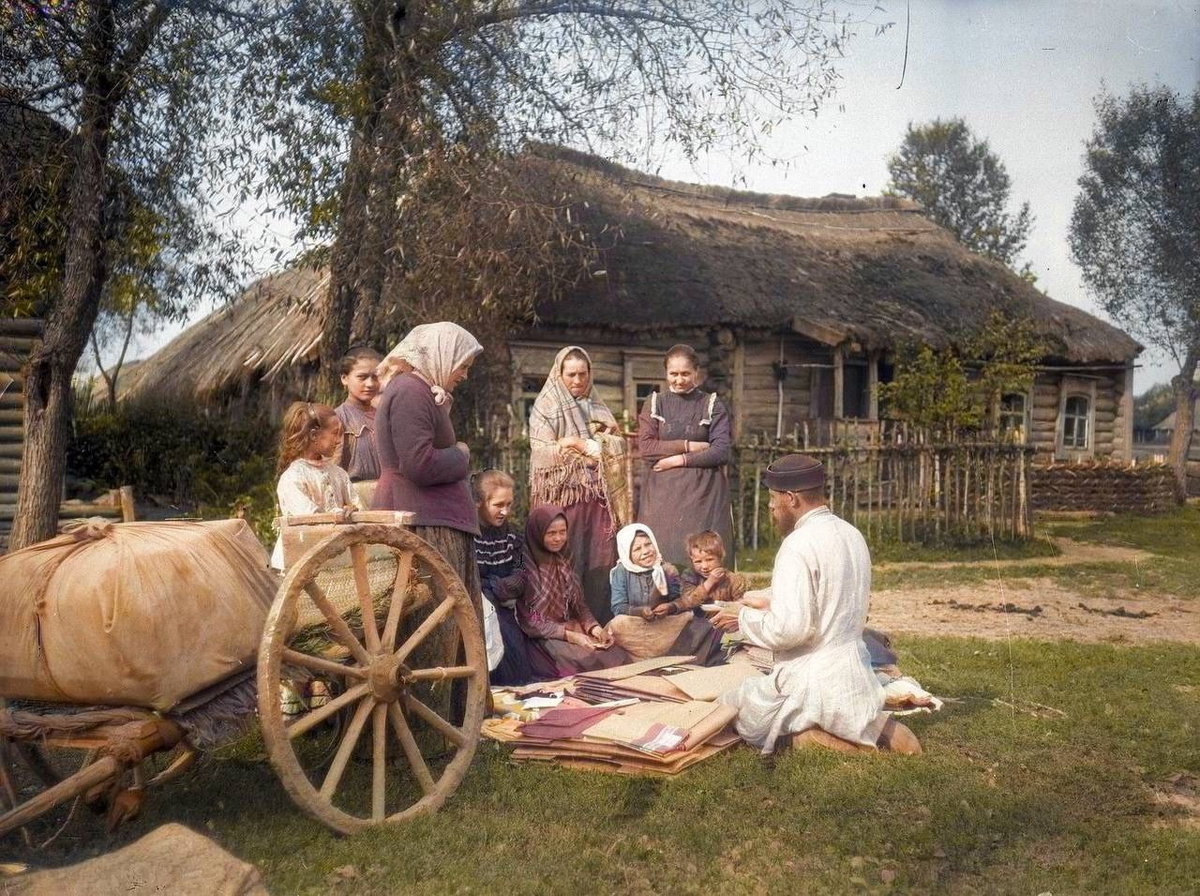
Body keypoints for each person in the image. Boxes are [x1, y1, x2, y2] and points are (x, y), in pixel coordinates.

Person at [712, 454, 921, 756]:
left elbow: (790, 631)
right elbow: (829, 589)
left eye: (772, 500)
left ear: (791, 498)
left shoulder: (797, 544)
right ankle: (881, 729)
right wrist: (764, 598)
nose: (770, 508)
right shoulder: (851, 534)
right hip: (854, 673)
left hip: (812, 677)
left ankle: (819, 738)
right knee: (859, 717)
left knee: (734, 708)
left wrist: (742, 618)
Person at [528, 345, 629, 624]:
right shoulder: (545, 407)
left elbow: (617, 443)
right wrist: (578, 444)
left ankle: (599, 621)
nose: (577, 381)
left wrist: (591, 446)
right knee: (567, 558)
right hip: (564, 501)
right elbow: (542, 452)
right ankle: (564, 625)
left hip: (597, 502)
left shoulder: (597, 404)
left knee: (599, 559)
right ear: (559, 374)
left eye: (582, 374)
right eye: (571, 374)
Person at [492, 505, 632, 678]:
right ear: (537, 532)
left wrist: (595, 629)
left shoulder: (564, 559)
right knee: (586, 664)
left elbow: (579, 606)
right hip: (541, 637)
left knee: (614, 654)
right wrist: (571, 637)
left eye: (562, 532)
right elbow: (530, 619)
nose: (558, 538)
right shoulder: (523, 563)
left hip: (570, 628)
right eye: (551, 533)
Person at [636, 344, 734, 568]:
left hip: (704, 495)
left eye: (685, 374)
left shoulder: (711, 404)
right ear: (666, 373)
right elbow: (646, 448)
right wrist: (688, 445)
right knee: (665, 558)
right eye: (673, 374)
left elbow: (720, 452)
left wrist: (678, 459)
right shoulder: (655, 403)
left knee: (702, 560)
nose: (679, 380)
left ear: (696, 373)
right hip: (663, 496)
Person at [607, 523, 723, 664]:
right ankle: (637, 659)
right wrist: (640, 611)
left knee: (691, 620)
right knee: (617, 623)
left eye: (648, 544)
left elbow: (680, 600)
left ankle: (668, 658)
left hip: (663, 627)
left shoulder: (667, 570)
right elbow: (618, 607)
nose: (646, 551)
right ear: (626, 553)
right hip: (634, 627)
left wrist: (669, 607)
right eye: (637, 549)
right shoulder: (621, 571)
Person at [271, 401, 362, 571]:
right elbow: (309, 518)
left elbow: (358, 506)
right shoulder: (292, 478)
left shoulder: (339, 474)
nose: (338, 440)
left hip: (332, 557)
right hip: (300, 559)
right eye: (335, 433)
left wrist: (354, 510)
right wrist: (340, 513)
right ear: (314, 436)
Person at [473, 469, 533, 685]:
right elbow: (473, 580)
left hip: (506, 606)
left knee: (515, 650)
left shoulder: (512, 536)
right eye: (498, 505)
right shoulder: (470, 537)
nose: (505, 511)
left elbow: (520, 569)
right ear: (480, 502)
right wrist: (492, 587)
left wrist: (509, 584)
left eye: (508, 504)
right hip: (480, 610)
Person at [334, 345, 383, 507]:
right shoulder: (337, 419)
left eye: (375, 377)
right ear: (344, 378)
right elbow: (331, 470)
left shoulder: (385, 416)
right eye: (362, 377)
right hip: (354, 502)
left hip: (387, 498)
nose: (370, 384)